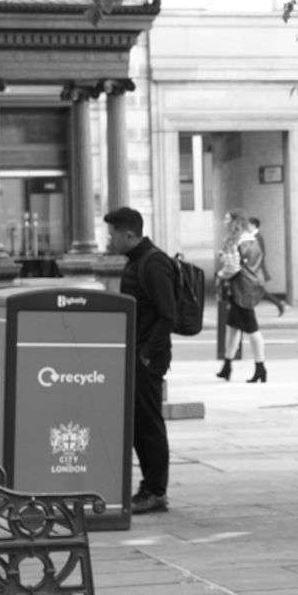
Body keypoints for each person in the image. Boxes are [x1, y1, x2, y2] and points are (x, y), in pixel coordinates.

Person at [103, 206, 177, 514]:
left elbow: (168, 314)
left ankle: (155, 490)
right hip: (136, 353)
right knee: (136, 424)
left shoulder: (153, 263)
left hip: (148, 357)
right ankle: (148, 488)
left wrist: (146, 355)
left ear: (129, 234)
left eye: (112, 235)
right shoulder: (137, 261)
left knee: (149, 424)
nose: (109, 241)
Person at [215, 210, 268, 383]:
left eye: (227, 218)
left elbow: (232, 267)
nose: (224, 221)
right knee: (232, 327)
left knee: (252, 329)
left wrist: (220, 274)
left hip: (239, 289)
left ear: (234, 222)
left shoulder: (234, 240)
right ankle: (227, 366)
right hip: (248, 286)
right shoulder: (250, 239)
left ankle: (260, 367)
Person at [248, 217, 285, 315]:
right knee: (259, 291)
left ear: (253, 225)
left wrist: (254, 268)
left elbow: (261, 254)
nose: (247, 226)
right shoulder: (252, 236)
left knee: (257, 291)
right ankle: (279, 304)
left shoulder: (257, 236)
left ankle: (278, 304)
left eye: (248, 224)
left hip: (256, 269)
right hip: (254, 268)